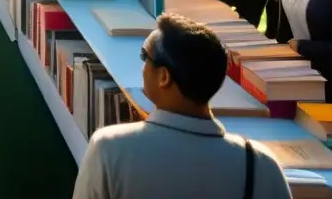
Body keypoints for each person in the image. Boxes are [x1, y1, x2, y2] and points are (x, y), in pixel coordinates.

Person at [73, 13, 290, 199]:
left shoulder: (109, 149)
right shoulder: (261, 165)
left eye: (144, 55)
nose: (141, 65)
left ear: (164, 77)